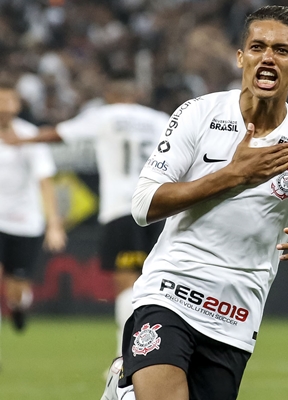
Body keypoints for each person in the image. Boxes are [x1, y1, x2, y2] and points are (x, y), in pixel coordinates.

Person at [118, 5, 288, 400]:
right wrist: (233, 175)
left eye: (280, 50)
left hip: (235, 315)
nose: (267, 57)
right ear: (241, 57)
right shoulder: (198, 114)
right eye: (257, 47)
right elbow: (143, 205)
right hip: (170, 289)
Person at [10, 79, 169, 355]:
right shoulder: (159, 119)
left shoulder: (104, 116)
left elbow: (58, 134)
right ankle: (157, 347)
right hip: (159, 207)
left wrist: (21, 139)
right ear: (137, 94)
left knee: (126, 283)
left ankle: (126, 354)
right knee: (155, 281)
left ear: (109, 93)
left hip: (123, 208)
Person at [0, 81, 66, 332]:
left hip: (24, 223)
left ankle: (18, 305)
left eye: (9, 101)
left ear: (17, 105)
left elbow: (45, 183)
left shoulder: (29, 136)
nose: (4, 107)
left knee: (16, 289)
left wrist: (54, 225)